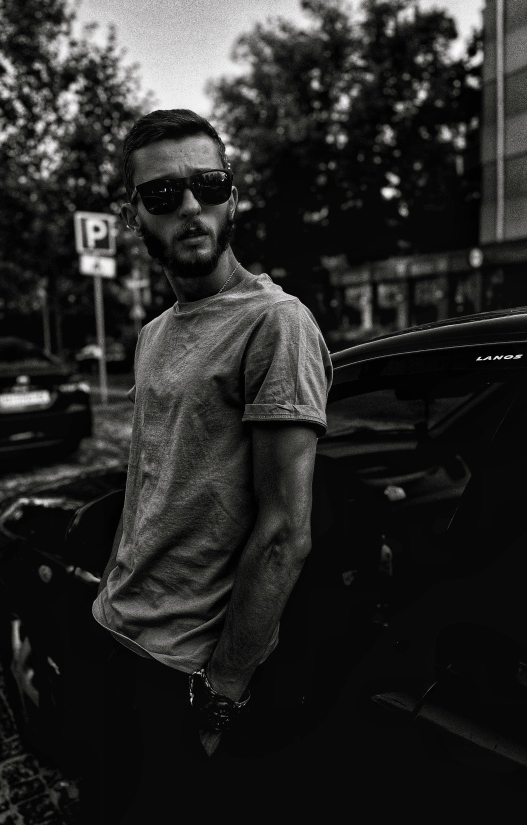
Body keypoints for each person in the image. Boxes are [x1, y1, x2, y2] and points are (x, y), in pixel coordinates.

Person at [76, 108, 333, 824]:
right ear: (133, 216)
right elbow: (151, 482)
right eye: (163, 194)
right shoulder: (154, 333)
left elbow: (285, 533)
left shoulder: (276, 323)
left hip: (185, 669)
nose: (190, 206)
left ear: (233, 198)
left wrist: (222, 694)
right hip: (115, 629)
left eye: (209, 185)